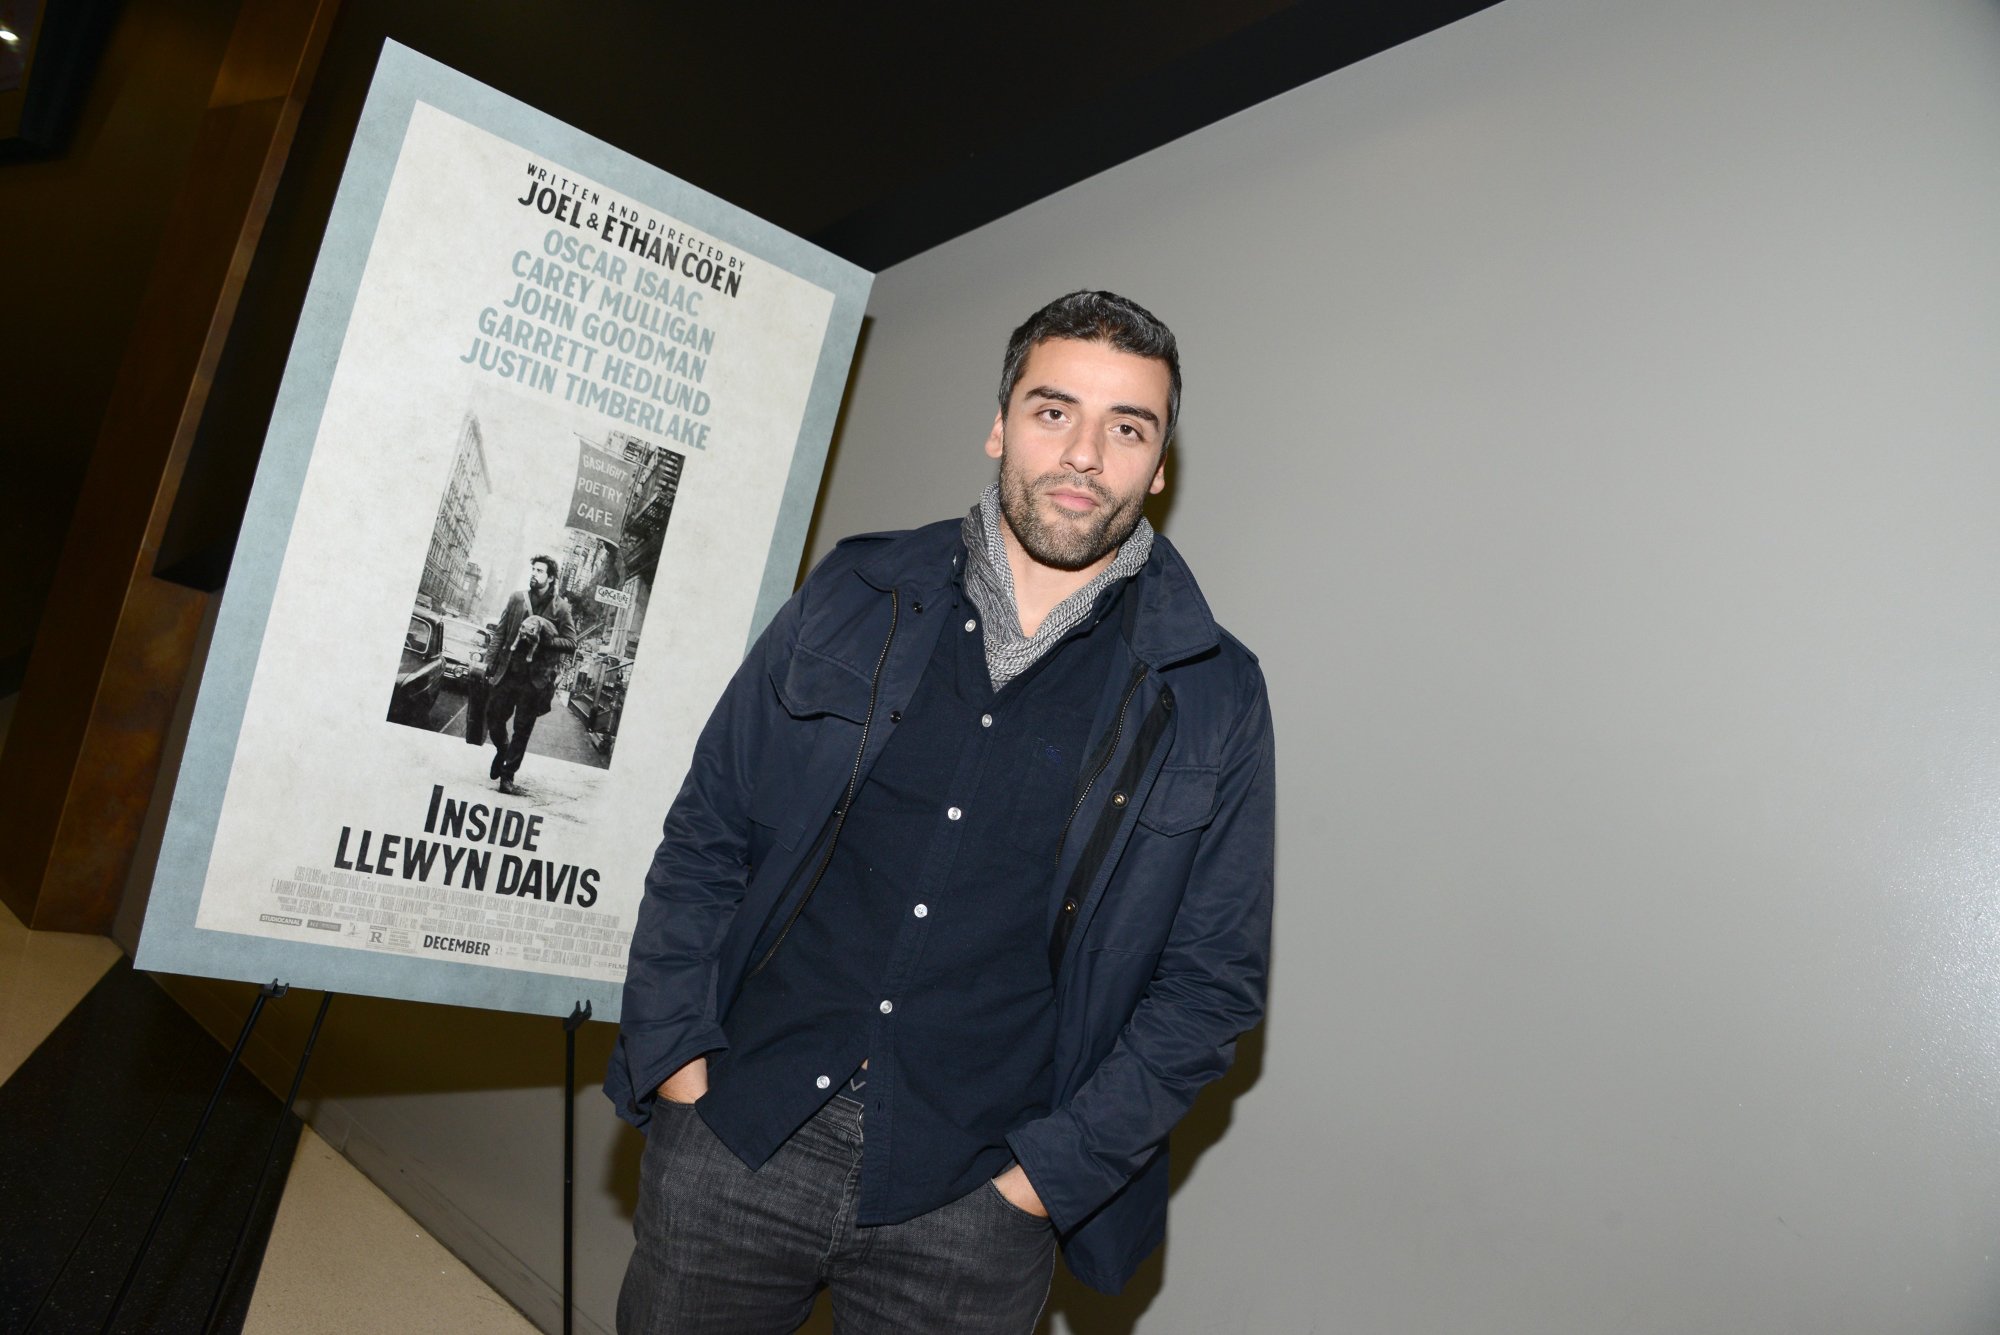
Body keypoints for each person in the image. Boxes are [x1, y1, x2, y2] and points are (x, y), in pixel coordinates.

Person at [607, 291, 1275, 1333]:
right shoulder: (854, 590)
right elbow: (707, 833)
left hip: (973, 1200)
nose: (1084, 455)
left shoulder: (1211, 693)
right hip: (740, 1127)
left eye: (1126, 427)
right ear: (999, 424)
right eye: (1053, 411)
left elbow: (1209, 987)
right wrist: (676, 1059)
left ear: (1157, 465)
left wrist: (1044, 1180)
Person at [484, 553, 576, 795]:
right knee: (494, 718)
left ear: (551, 577)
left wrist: (545, 639)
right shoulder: (517, 599)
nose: (534, 574)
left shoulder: (561, 608)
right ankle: (502, 750)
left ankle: (507, 777)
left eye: (540, 571)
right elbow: (500, 633)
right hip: (508, 672)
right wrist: (489, 662)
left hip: (535, 680)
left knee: (523, 730)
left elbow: (571, 642)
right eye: (533, 570)